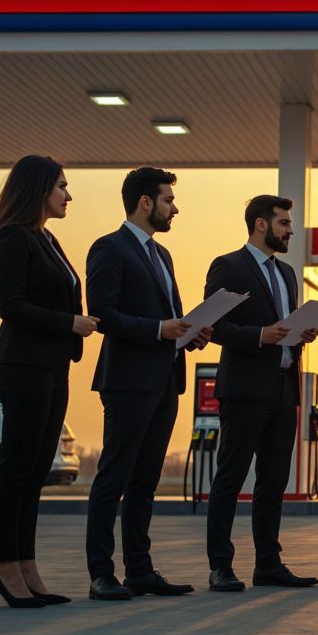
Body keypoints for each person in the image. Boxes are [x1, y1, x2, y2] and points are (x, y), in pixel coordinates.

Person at [84, 167, 211, 601]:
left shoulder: (163, 255)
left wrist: (187, 335)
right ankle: (101, 573)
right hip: (127, 382)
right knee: (113, 477)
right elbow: (103, 314)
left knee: (145, 482)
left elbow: (166, 319)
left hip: (164, 381)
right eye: (168, 200)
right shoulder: (109, 248)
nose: (174, 208)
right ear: (145, 203)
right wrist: (160, 330)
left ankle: (139, 570)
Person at [0, 155, 98, 608]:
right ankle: (6, 567)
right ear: (38, 189)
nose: (69, 195)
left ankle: (26, 566)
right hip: (22, 366)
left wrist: (72, 326)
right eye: (62, 186)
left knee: (33, 475)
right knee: (16, 471)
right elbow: (10, 305)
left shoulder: (47, 239)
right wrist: (69, 322)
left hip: (52, 367)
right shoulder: (14, 237)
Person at [202, 195, 318, 592]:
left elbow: (285, 330)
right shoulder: (229, 266)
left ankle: (268, 564)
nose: (290, 230)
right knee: (231, 479)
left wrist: (301, 334)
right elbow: (213, 326)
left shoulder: (287, 274)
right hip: (245, 391)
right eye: (284, 223)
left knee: (274, 482)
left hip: (285, 388)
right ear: (260, 225)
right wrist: (260, 335)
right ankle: (220, 566)